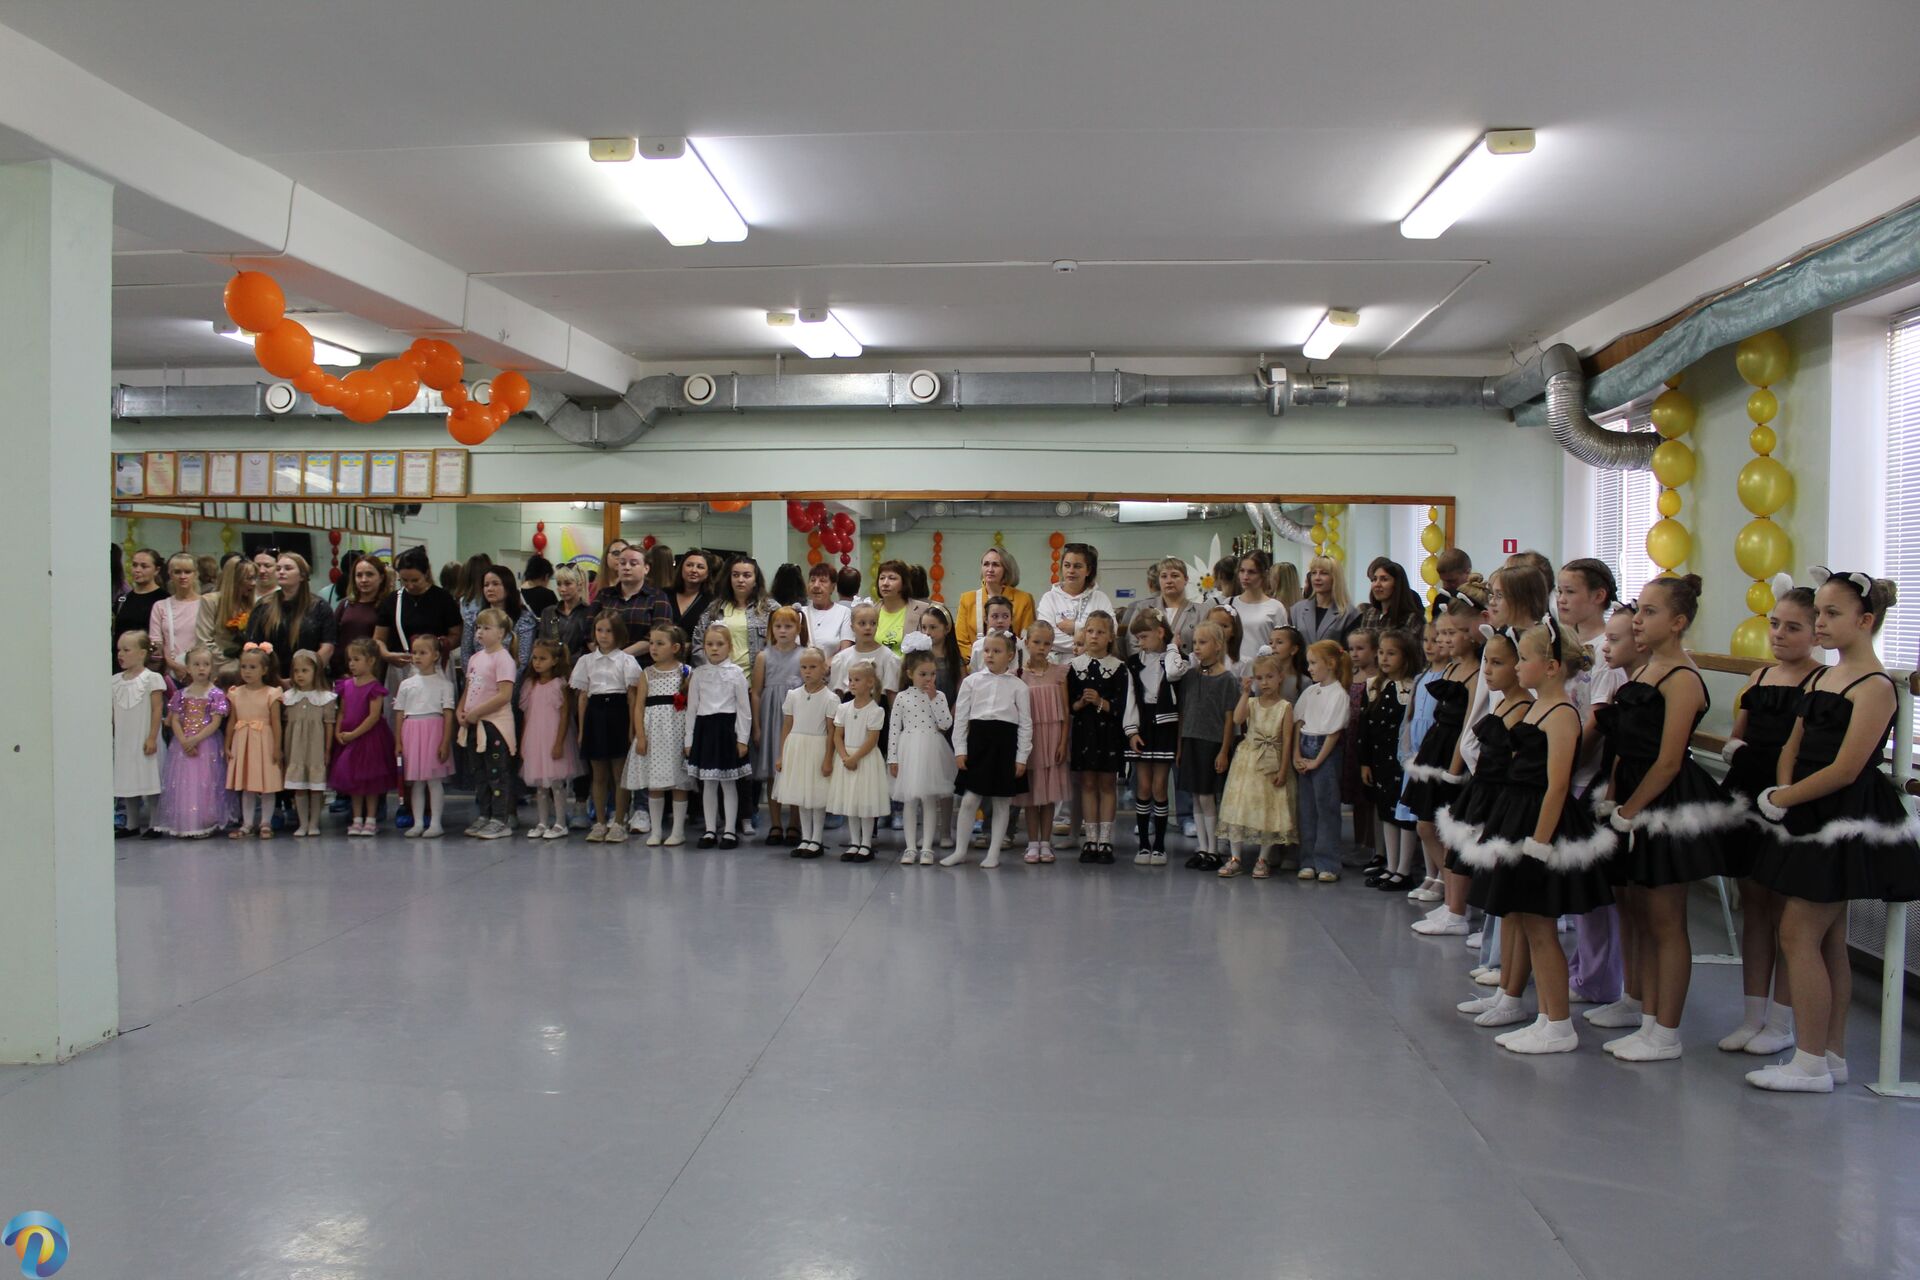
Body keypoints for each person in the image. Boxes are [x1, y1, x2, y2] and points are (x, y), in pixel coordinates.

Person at [1746, 570, 1920, 1092]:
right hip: (1804, 806)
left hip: (1840, 814)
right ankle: (1831, 1054)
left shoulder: (1876, 687)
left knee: (1798, 932)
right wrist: (1783, 790)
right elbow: (1793, 745)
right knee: (1827, 940)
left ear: (1865, 621)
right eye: (1818, 613)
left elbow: (1847, 768)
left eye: (1832, 614)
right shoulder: (1823, 678)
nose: (1820, 622)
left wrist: (1784, 798)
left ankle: (1810, 1062)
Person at [1601, 575, 1740, 1062]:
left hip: (1662, 802)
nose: (1638, 619)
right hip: (1631, 795)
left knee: (1665, 919)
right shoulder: (1645, 669)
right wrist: (1613, 798)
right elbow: (1625, 745)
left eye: (1650, 612)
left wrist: (1630, 810)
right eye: (1638, 609)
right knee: (1638, 911)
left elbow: (1668, 761)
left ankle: (1666, 1031)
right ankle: (1643, 1013)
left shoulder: (1682, 678)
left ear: (1678, 622)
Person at [1461, 619, 1614, 1055]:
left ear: (1550, 667)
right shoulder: (1538, 707)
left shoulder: (1562, 713)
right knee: (1529, 923)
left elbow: (1558, 785)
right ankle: (1545, 1017)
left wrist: (1539, 845)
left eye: (1524, 659)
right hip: (1519, 815)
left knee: (1543, 928)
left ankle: (1560, 1024)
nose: (1518, 666)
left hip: (1541, 825)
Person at [1714, 577, 1820, 1055]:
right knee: (1753, 907)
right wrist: (1737, 752)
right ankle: (1752, 1015)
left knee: (1785, 916)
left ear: (1817, 633)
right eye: (1775, 624)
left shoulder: (1819, 681)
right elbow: (1739, 735)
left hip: (1789, 797)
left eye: (1792, 627)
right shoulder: (1759, 677)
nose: (1778, 634)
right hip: (1749, 793)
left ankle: (1781, 1022)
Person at [1441, 629, 1536, 1018]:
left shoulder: (1526, 709)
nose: (1488, 671)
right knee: (1501, 903)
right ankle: (1503, 986)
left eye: (1498, 663)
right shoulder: (1503, 703)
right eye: (1486, 662)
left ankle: (1512, 991)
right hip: (1493, 801)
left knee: (1512, 905)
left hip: (1508, 805)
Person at [1404, 588, 1486, 935]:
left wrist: (1454, 768)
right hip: (1434, 748)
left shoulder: (1477, 673)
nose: (1444, 640)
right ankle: (1452, 894)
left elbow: (1468, 723)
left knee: (1450, 832)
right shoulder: (1450, 668)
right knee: (1425, 825)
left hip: (1453, 755)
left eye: (1452, 633)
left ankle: (1457, 905)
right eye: (1442, 634)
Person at [943, 631, 1032, 869]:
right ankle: (961, 851)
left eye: (997, 651)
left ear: (1010, 656)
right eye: (987, 650)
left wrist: (1022, 757)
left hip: (1005, 745)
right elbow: (961, 718)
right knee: (970, 799)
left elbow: (1026, 724)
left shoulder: (1019, 687)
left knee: (1002, 802)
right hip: (978, 744)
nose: (990, 655)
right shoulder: (971, 682)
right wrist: (960, 749)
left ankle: (993, 853)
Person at [1215, 652, 1299, 880]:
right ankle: (1235, 857)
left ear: (1280, 677)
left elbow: (1287, 741)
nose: (1265, 682)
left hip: (1272, 762)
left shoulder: (1285, 707)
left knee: (1269, 809)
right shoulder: (1251, 703)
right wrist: (1245, 693)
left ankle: (1263, 858)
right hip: (1248, 762)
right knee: (1239, 806)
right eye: (1259, 678)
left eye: (1270, 677)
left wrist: (1284, 769)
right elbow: (1237, 719)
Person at [1067, 611, 1135, 864]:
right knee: (1087, 784)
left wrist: (1100, 702)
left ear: (1110, 637)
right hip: (1084, 732)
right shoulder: (1075, 667)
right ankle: (1091, 838)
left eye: (1100, 632)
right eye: (1090, 631)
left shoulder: (1118, 668)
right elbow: (1068, 704)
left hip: (1108, 734)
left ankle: (1105, 839)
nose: (1094, 636)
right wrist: (1079, 703)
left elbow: (1123, 705)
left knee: (1107, 785)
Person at [1124, 610, 1189, 863]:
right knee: (1143, 785)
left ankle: (1159, 845)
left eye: (1144, 636)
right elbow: (1130, 697)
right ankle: (1143, 845)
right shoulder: (1133, 662)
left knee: (1160, 786)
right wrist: (1131, 731)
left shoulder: (1176, 659)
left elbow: (1173, 673)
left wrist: (1172, 647)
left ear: (1160, 632)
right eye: (1138, 638)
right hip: (1142, 725)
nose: (1140, 642)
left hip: (1165, 725)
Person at [1176, 621, 1240, 870]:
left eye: (1203, 642)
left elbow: (1229, 719)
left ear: (1218, 645)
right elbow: (1183, 712)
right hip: (1190, 740)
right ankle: (1202, 847)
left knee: (1207, 797)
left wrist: (1224, 750)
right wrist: (1180, 746)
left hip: (1211, 743)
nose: (1197, 647)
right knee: (1195, 796)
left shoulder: (1227, 679)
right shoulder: (1190, 676)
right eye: (1194, 643)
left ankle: (1213, 850)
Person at [571, 614, 640, 844]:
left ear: (618, 633)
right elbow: (583, 698)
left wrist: (632, 728)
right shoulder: (586, 661)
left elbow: (632, 697)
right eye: (599, 630)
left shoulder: (626, 661)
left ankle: (619, 822)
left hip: (618, 713)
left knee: (619, 773)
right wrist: (582, 730)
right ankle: (600, 822)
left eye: (608, 631)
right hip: (595, 714)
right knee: (598, 774)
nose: (603, 635)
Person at [1361, 629, 1421, 892]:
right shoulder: (1374, 686)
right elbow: (1365, 728)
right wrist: (1365, 762)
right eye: (1381, 652)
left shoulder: (1412, 687)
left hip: (1402, 760)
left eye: (1391, 653)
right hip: (1380, 760)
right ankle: (1391, 864)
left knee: (1403, 813)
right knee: (1386, 811)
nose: (1384, 658)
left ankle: (1404, 869)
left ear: (1406, 657)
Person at [685, 622, 753, 848]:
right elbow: (692, 709)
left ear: (729, 647)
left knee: (729, 783)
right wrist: (689, 740)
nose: (714, 648)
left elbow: (744, 709)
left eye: (720, 644)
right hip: (705, 730)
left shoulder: (736, 674)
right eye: (710, 644)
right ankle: (710, 829)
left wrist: (742, 739)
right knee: (709, 783)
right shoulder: (698, 674)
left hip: (727, 731)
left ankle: (730, 830)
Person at [889, 645, 958, 864]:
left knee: (929, 800)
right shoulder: (902, 697)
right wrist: (892, 758)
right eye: (923, 674)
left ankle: (927, 847)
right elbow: (894, 728)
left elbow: (946, 724)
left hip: (931, 750)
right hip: (908, 750)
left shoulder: (939, 696)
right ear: (910, 674)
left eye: (932, 674)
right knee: (910, 801)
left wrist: (934, 699)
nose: (928, 678)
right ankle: (910, 847)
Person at [1293, 639, 1353, 882]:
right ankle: (1307, 860)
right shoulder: (1310, 691)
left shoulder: (1339, 694)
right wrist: (1296, 754)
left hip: (1324, 753)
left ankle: (1327, 862)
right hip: (1305, 747)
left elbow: (1333, 733)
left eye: (1313, 663)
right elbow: (1298, 723)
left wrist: (1317, 761)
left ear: (1330, 664)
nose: (1309, 668)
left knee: (1326, 808)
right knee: (1306, 809)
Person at [628, 623, 693, 848]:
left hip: (677, 733)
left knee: (679, 783)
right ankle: (656, 831)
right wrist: (640, 736)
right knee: (654, 783)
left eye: (660, 643)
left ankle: (677, 831)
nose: (653, 648)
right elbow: (639, 706)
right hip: (653, 733)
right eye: (651, 643)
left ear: (675, 648)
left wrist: (689, 738)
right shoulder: (647, 673)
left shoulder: (686, 672)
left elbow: (692, 707)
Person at [154, 646, 229, 838]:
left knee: (205, 781)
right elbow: (175, 720)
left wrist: (195, 739)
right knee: (185, 783)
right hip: (183, 745)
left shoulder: (215, 694)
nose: (201, 668)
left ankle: (204, 821)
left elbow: (215, 722)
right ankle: (186, 821)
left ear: (211, 667)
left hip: (206, 744)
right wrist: (183, 740)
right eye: (196, 664)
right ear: (187, 667)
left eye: (206, 664)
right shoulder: (181, 694)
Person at [460, 608, 521, 840]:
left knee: (497, 773)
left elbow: (504, 695)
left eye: (487, 628)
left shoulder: (503, 659)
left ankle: (500, 819)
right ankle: (485, 814)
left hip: (494, 725)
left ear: (501, 633)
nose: (480, 632)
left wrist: (477, 712)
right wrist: (461, 711)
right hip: (475, 724)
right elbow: (469, 688)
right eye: (478, 627)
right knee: (480, 774)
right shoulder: (475, 658)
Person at [329, 639, 398, 837]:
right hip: (349, 738)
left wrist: (354, 734)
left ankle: (371, 819)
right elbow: (342, 711)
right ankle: (357, 818)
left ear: (371, 661)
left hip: (369, 739)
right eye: (350, 659)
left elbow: (373, 716)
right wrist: (338, 731)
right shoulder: (346, 685)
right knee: (354, 781)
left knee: (370, 781)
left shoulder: (374, 687)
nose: (351, 664)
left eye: (356, 659)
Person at [374, 546, 464, 695]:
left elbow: (457, 634)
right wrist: (387, 655)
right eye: (404, 580)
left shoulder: (443, 599)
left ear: (426, 573)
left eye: (415, 580)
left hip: (436, 667)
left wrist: (439, 646)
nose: (410, 585)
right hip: (401, 669)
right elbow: (378, 638)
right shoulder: (392, 601)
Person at [776, 648, 838, 858]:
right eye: (804, 667)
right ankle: (805, 838)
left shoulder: (830, 698)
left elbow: (831, 731)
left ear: (824, 668)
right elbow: (787, 725)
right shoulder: (793, 695)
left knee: (817, 795)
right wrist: (782, 754)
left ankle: (816, 839)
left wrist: (828, 758)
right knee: (802, 795)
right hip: (796, 747)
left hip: (817, 748)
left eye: (813, 667)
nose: (808, 671)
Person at [1015, 621, 1069, 865]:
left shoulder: (1060, 673)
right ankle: (1032, 842)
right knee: (1031, 796)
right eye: (1036, 642)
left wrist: (1063, 742)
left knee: (1048, 795)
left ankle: (1046, 842)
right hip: (1030, 740)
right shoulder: (1018, 675)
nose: (1041, 647)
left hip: (1052, 738)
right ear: (1027, 643)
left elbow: (1066, 712)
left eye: (1047, 643)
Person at [393, 633, 455, 840]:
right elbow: (400, 713)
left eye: (423, 652)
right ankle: (418, 822)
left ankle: (436, 823)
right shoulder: (406, 684)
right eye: (415, 652)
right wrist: (398, 741)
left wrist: (445, 742)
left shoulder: (444, 684)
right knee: (417, 782)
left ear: (435, 655)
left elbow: (448, 714)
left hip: (433, 732)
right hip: (412, 732)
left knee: (434, 781)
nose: (417, 656)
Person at [753, 607, 806, 844]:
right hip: (771, 716)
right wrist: (757, 726)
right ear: (771, 629)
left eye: (788, 626)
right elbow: (756, 692)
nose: (783, 631)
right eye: (778, 626)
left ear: (798, 629)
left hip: (796, 718)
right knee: (773, 772)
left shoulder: (804, 655)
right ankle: (775, 824)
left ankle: (795, 823)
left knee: (795, 770)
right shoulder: (763, 656)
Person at [828, 661, 890, 861]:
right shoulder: (843, 708)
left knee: (865, 802)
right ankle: (854, 842)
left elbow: (872, 740)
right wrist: (845, 757)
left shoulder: (876, 710)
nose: (852, 683)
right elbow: (837, 736)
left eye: (857, 679)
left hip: (865, 759)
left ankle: (866, 844)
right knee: (851, 802)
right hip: (847, 759)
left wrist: (855, 757)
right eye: (850, 679)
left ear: (870, 682)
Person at [518, 637, 578, 840]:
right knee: (540, 785)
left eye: (542, 658)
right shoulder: (530, 685)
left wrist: (559, 743)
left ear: (555, 661)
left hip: (553, 739)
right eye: (535, 658)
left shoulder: (559, 685)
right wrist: (524, 742)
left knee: (556, 783)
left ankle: (560, 823)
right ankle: (542, 822)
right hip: (535, 739)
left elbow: (565, 716)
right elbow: (527, 716)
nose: (537, 662)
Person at [225, 644, 284, 840]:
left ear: (264, 670)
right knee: (247, 785)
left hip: (264, 742)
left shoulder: (272, 693)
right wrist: (227, 744)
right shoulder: (235, 693)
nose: (247, 671)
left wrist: (277, 748)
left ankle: (266, 822)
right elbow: (232, 721)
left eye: (252, 667)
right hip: (243, 741)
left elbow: (276, 723)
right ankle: (247, 823)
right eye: (244, 667)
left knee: (267, 784)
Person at [111, 630, 166, 838]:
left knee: (149, 779)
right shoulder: (114, 681)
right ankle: (131, 823)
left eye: (126, 650)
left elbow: (157, 709)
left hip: (144, 737)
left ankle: (154, 823)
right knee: (127, 780)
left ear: (142, 653)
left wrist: (152, 737)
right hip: (124, 739)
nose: (120, 654)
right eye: (119, 650)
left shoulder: (152, 679)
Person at [280, 649, 338, 838]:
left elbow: (329, 724)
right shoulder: (288, 697)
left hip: (315, 748)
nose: (300, 675)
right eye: (296, 671)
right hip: (295, 749)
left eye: (305, 670)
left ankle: (314, 823)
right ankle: (303, 823)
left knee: (315, 788)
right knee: (299, 787)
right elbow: (284, 724)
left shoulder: (325, 698)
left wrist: (327, 749)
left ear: (316, 672)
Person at [246, 553, 337, 674]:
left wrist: (305, 674)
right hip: (272, 676)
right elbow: (253, 646)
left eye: (288, 568)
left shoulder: (320, 606)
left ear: (302, 575)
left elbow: (328, 647)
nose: (281, 572)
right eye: (278, 569)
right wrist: (273, 677)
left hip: (309, 676)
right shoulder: (263, 606)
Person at [1036, 544, 1115, 661]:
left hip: (1093, 664)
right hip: (1057, 665)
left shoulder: (1100, 598)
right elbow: (1046, 636)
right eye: (1067, 565)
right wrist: (1088, 642)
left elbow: (1112, 631)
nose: (1071, 571)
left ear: (1088, 571)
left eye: (1077, 566)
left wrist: (1075, 627)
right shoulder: (1049, 598)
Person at [693, 556, 772, 672]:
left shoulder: (769, 609)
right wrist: (712, 671)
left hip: (756, 677)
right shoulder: (715, 608)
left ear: (756, 580)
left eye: (746, 575)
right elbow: (698, 644)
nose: (740, 580)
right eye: (735, 575)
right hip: (718, 676)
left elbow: (780, 647)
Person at [955, 547, 1036, 654]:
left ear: (1006, 569)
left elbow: (1027, 639)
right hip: (974, 662)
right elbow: (961, 641)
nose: (990, 569)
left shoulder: (1024, 599)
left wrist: (1009, 659)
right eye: (986, 564)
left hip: (1013, 660)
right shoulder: (967, 599)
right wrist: (978, 660)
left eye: (996, 565)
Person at [601, 546, 671, 662]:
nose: (627, 567)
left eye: (633, 564)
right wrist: (603, 656)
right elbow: (589, 630)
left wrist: (620, 656)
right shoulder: (604, 594)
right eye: (622, 563)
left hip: (642, 663)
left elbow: (660, 634)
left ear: (646, 568)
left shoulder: (658, 597)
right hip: (603, 661)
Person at [194, 556, 256, 685]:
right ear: (235, 579)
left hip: (247, 672)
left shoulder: (252, 605)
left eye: (254, 578)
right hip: (219, 672)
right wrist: (233, 663)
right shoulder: (210, 601)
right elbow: (204, 641)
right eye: (249, 578)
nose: (253, 583)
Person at [1122, 557, 1200, 657]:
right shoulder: (1143, 608)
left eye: (1175, 576)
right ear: (1159, 580)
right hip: (1148, 665)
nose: (1169, 581)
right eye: (1164, 576)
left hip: (1188, 665)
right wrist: (1144, 664)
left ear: (1186, 579)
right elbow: (1133, 642)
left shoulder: (1201, 611)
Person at [331, 555, 391, 681]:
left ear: (381, 577)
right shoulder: (345, 604)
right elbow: (333, 638)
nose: (364, 580)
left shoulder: (387, 606)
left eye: (369, 574)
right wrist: (339, 671)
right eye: (359, 575)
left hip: (374, 675)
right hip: (343, 674)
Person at [148, 552, 203, 683]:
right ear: (170, 574)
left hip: (201, 671)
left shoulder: (206, 604)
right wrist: (174, 666)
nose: (183, 576)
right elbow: (156, 644)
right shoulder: (160, 606)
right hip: (170, 674)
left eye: (187, 572)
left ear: (195, 574)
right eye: (177, 572)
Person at [829, 603, 902, 696]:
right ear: (852, 627)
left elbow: (891, 693)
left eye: (873, 623)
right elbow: (838, 695)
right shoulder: (842, 658)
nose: (868, 628)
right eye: (862, 623)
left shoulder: (888, 657)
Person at [1288, 554, 1357, 645]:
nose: (1317, 578)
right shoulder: (1297, 609)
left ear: (1335, 578)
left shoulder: (1348, 613)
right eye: (1314, 573)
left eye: (1324, 573)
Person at [869, 559, 932, 657]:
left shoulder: (922, 610)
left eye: (892, 578)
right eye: (882, 578)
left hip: (910, 665)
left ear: (904, 583)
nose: (885, 583)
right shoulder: (871, 611)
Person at [112, 548, 166, 660]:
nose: (137, 570)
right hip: (120, 661)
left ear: (156, 570)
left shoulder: (164, 599)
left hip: (148, 661)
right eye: (134, 565)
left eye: (144, 566)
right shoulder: (123, 599)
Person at [1230, 550, 1287, 656]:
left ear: (1264, 574)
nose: (1245, 577)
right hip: (1232, 664)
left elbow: (1283, 645)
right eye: (1242, 571)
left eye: (1252, 572)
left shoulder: (1276, 607)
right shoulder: (1229, 604)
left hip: (1263, 664)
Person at [536, 565, 596, 660]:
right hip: (552, 666)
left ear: (580, 585)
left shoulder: (589, 613)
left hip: (580, 666)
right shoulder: (548, 613)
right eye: (559, 584)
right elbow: (542, 645)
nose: (562, 589)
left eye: (568, 584)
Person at [1357, 557, 1423, 634]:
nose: (1377, 584)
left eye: (1384, 579)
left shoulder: (1411, 619)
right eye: (1374, 579)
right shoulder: (1369, 615)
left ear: (1397, 584)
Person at [800, 563, 854, 653]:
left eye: (822, 581)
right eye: (812, 580)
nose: (816, 585)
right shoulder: (799, 613)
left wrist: (825, 662)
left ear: (833, 587)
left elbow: (845, 652)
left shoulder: (844, 612)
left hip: (834, 662)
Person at [967, 596, 1027, 672]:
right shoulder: (978, 646)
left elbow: (1024, 670)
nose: (1000, 621)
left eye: (1005, 616)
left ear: (1011, 619)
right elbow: (974, 672)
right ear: (986, 619)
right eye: (995, 616)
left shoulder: (1019, 645)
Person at [666, 549, 718, 636]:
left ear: (707, 573)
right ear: (681, 568)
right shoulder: (665, 594)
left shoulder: (712, 600)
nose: (694, 570)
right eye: (689, 565)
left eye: (700, 567)